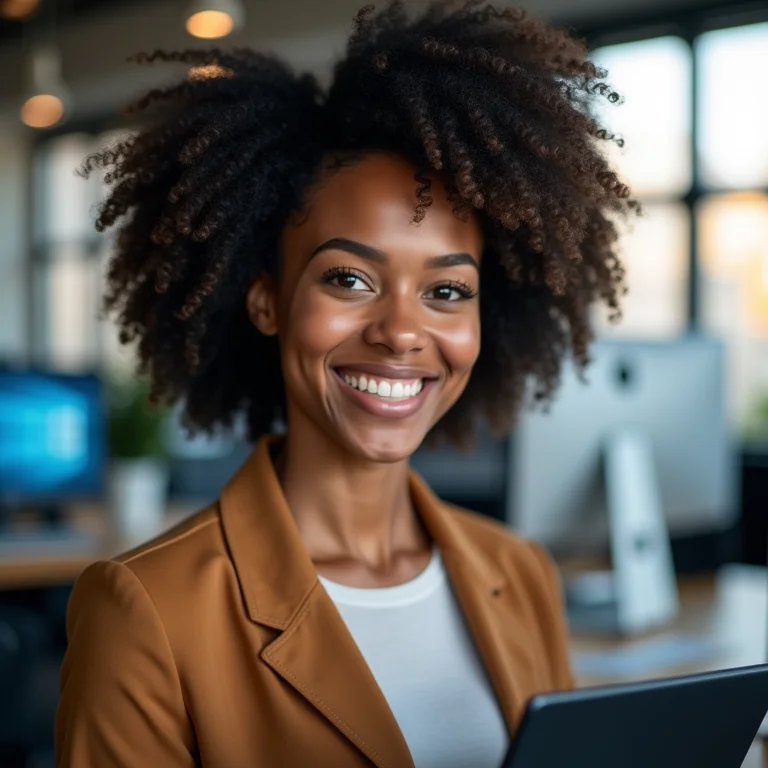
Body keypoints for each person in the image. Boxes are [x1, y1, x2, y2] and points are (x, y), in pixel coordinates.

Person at [55, 1, 637, 766]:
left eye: (447, 291)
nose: (402, 331)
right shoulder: (145, 611)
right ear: (267, 299)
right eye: (350, 278)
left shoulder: (519, 572)